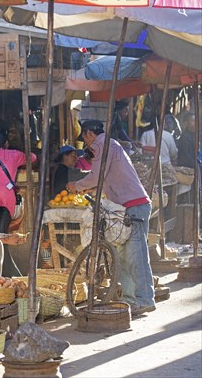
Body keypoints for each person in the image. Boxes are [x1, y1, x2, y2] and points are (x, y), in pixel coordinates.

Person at [67, 120, 155, 316]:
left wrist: (77, 185)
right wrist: (90, 186)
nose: (86, 143)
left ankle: (145, 299)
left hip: (134, 206)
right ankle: (131, 299)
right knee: (123, 256)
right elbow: (103, 179)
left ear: (90, 134)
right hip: (128, 208)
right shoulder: (111, 145)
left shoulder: (102, 144)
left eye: (84, 138)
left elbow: (95, 176)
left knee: (135, 256)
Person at [0, 126, 36, 276]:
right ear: (5, 142)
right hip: (6, 198)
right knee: (2, 237)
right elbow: (33, 158)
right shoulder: (15, 154)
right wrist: (21, 147)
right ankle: (10, 275)